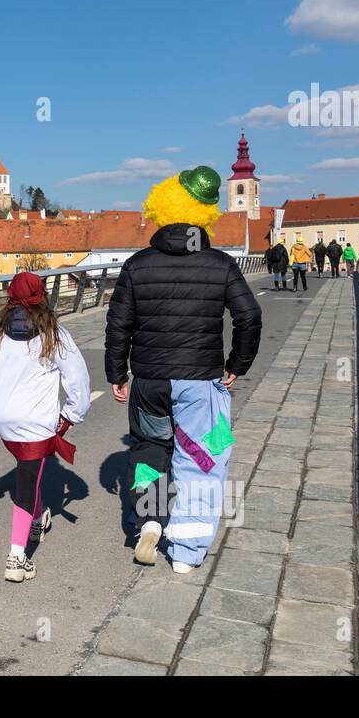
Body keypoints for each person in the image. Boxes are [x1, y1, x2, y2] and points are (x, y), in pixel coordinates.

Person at [106, 166, 262, 573]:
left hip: (149, 381)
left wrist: (117, 375)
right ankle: (187, 554)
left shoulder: (137, 265)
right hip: (202, 382)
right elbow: (249, 317)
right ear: (205, 215)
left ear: (163, 209)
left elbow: (118, 324)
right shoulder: (221, 265)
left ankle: (150, 520)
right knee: (203, 459)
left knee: (149, 451)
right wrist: (237, 365)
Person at [0, 271, 90, 583]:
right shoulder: (54, 333)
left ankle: (38, 516)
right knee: (26, 483)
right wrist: (73, 413)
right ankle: (17, 557)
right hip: (37, 423)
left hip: (6, 422)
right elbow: (78, 377)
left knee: (27, 474)